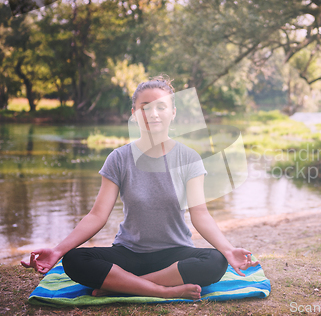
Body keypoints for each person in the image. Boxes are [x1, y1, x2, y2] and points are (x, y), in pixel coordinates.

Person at [21, 76, 258, 300]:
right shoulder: (118, 158)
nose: (153, 113)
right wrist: (57, 251)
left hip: (174, 255)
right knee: (73, 259)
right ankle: (162, 291)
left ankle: (122, 287)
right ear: (134, 114)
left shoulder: (189, 158)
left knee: (215, 261)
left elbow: (200, 214)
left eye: (161, 107)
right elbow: (97, 215)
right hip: (128, 253)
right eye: (145, 107)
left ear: (173, 113)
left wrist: (228, 250)